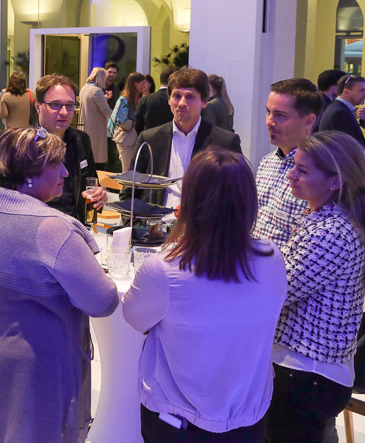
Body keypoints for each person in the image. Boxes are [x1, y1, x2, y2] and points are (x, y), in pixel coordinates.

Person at [0, 126, 119, 443]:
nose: (66, 172)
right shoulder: (53, 229)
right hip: (29, 371)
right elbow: (102, 300)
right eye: (57, 165)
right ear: (30, 173)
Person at [122, 148, 286, 441]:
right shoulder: (272, 260)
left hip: (177, 423)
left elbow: (134, 317)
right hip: (247, 422)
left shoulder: (164, 270)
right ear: (250, 202)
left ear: (189, 202)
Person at [265, 131, 365, 442]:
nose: (291, 175)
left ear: (335, 181)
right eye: (294, 166)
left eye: (303, 170)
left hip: (307, 374)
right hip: (304, 371)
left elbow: (278, 291)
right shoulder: (321, 216)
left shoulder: (332, 231)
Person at [135, 67, 242, 207]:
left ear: (204, 101)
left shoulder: (225, 143)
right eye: (176, 96)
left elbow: (238, 195)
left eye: (190, 97)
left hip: (203, 220)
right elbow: (130, 191)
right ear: (169, 100)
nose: (182, 103)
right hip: (157, 219)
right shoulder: (149, 139)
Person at [251, 78, 321, 248]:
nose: (269, 121)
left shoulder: (319, 172)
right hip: (253, 259)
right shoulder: (267, 162)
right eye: (268, 112)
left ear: (309, 121)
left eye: (280, 115)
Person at [32, 74, 107, 225]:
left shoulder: (81, 140)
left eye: (70, 105)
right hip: (34, 229)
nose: (64, 112)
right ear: (38, 106)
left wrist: (99, 197)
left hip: (75, 228)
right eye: (55, 104)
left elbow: (91, 185)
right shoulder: (20, 144)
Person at [108, 72, 147, 172]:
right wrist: (135, 122)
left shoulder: (136, 98)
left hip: (132, 139)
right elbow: (120, 120)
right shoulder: (124, 100)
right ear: (135, 83)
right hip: (126, 139)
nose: (144, 86)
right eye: (142, 83)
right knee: (127, 170)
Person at [318, 74, 365, 149]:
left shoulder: (338, 108)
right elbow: (348, 148)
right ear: (346, 92)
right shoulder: (340, 113)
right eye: (362, 91)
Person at [79, 67, 114, 169]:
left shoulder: (84, 89)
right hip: (96, 129)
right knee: (97, 158)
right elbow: (106, 110)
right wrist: (119, 119)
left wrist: (105, 98)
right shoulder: (97, 91)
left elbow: (92, 102)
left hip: (85, 126)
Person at [135, 67, 175, 134]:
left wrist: (143, 137)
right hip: (170, 137)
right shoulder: (175, 100)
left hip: (149, 137)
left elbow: (138, 125)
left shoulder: (145, 100)